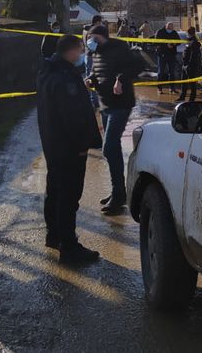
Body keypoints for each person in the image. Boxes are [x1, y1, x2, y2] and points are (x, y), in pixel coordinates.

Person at [37, 35, 102, 264]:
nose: (82, 54)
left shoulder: (49, 71)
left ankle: (54, 235)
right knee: (69, 196)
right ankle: (69, 247)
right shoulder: (65, 79)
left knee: (54, 191)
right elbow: (73, 118)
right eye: (81, 49)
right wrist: (82, 146)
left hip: (53, 145)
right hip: (69, 148)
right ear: (72, 51)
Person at [86, 25, 145, 215]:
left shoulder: (119, 47)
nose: (90, 41)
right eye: (89, 38)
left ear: (103, 36)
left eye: (94, 38)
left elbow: (138, 65)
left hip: (120, 104)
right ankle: (118, 191)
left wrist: (121, 79)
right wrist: (91, 79)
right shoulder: (96, 52)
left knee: (109, 147)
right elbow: (98, 72)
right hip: (105, 105)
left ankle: (119, 194)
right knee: (112, 148)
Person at [176, 27, 202, 102]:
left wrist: (188, 65)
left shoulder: (194, 42)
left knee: (192, 83)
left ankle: (191, 99)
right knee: (183, 81)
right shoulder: (189, 40)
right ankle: (182, 97)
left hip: (190, 66)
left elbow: (193, 55)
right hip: (185, 64)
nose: (186, 34)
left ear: (189, 33)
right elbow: (186, 52)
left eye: (187, 33)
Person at [155, 22, 180, 95]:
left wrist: (173, 44)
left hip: (171, 55)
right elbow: (156, 42)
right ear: (166, 26)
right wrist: (166, 45)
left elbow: (179, 42)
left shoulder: (174, 32)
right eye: (169, 27)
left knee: (172, 72)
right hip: (162, 55)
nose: (171, 28)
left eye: (172, 27)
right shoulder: (160, 32)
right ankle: (159, 88)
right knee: (161, 72)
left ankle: (172, 88)